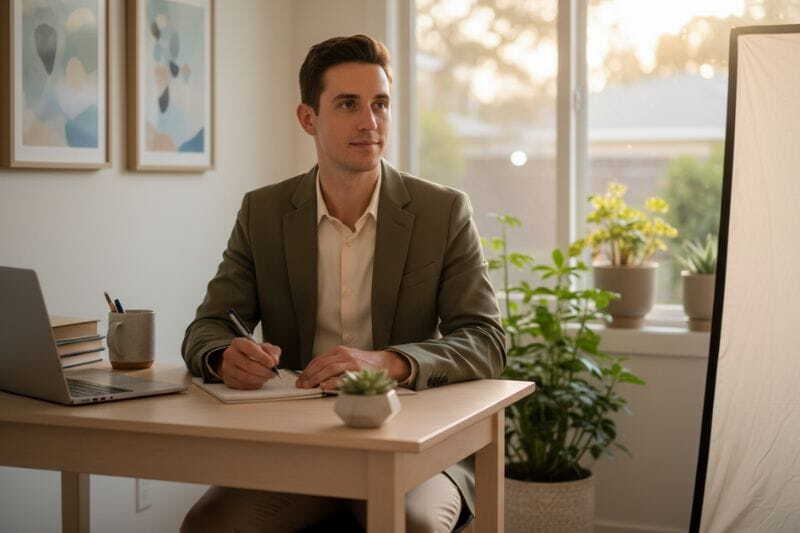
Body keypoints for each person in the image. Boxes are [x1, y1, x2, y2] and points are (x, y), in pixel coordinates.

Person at [180, 34, 505, 533]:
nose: (369, 122)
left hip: (413, 443)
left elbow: (486, 341)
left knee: (413, 525)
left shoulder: (443, 212)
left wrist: (389, 361)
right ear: (308, 118)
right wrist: (223, 356)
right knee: (209, 526)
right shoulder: (263, 212)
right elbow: (207, 327)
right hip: (299, 446)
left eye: (380, 104)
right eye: (348, 104)